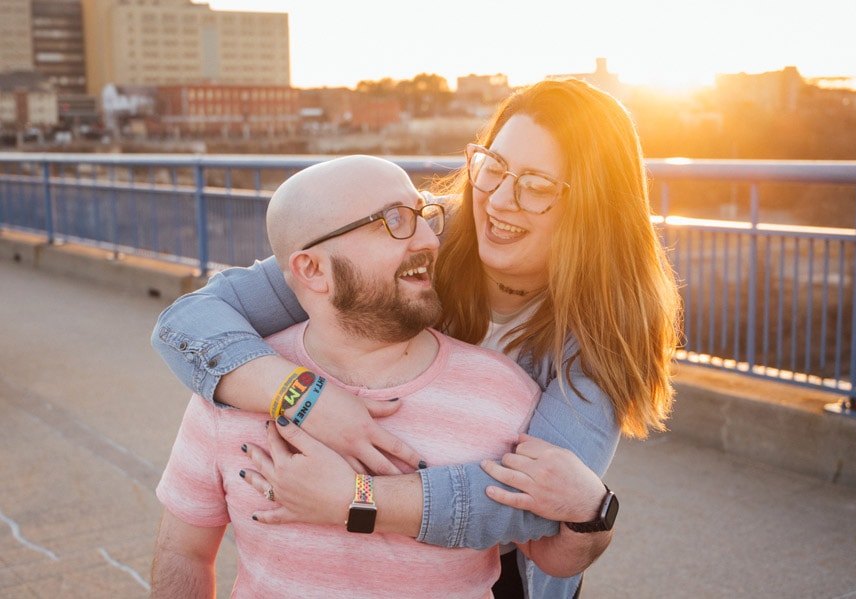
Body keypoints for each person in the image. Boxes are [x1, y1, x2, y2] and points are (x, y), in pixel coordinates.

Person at [151, 78, 681, 598]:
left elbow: (527, 501)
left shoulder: (609, 327)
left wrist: (353, 499)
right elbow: (191, 321)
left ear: (594, 210)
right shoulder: (424, 234)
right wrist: (303, 396)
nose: (498, 201)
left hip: (509, 572)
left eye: (537, 187)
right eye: (492, 168)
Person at [151, 155, 544, 597]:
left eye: (422, 216)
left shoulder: (506, 391)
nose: (431, 241)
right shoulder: (231, 387)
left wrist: (596, 514)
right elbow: (183, 553)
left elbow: (558, 551)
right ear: (312, 270)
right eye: (394, 220)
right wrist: (304, 397)